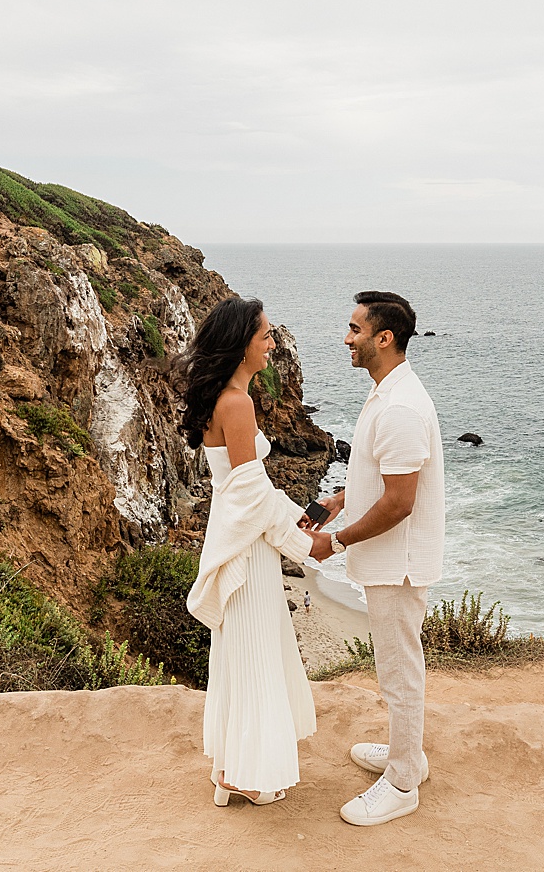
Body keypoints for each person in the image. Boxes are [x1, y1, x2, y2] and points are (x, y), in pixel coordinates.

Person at [303, 290, 444, 827]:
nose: (346, 339)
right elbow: (382, 478)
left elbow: (401, 502)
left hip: (398, 563)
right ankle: (406, 753)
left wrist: (336, 541)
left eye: (355, 330)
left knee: (399, 672)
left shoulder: (401, 406)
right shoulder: (388, 393)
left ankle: (404, 782)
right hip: (391, 560)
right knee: (395, 667)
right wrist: (337, 500)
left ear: (384, 338)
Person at [178, 296, 317, 808]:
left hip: (238, 532)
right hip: (246, 546)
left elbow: (246, 491)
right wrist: (306, 541)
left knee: (240, 652)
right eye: (265, 336)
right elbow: (253, 494)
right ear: (241, 346)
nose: (272, 344)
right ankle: (248, 776)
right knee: (255, 650)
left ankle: (227, 769)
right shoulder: (237, 404)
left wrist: (291, 517)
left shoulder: (227, 396)